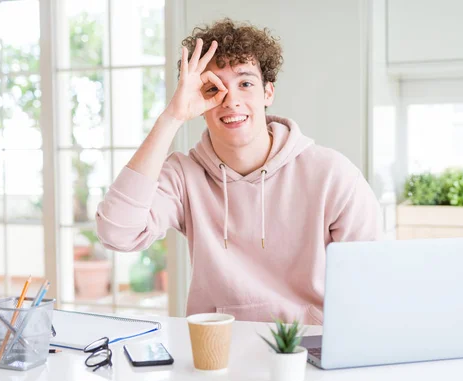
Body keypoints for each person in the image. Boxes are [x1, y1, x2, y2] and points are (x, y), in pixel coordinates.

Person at [96, 18, 381, 324]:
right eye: (213, 88)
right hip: (216, 349)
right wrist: (172, 117)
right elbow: (117, 234)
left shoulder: (332, 175)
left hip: (306, 350)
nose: (231, 100)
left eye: (245, 84)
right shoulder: (183, 175)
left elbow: (369, 283)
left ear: (268, 92)